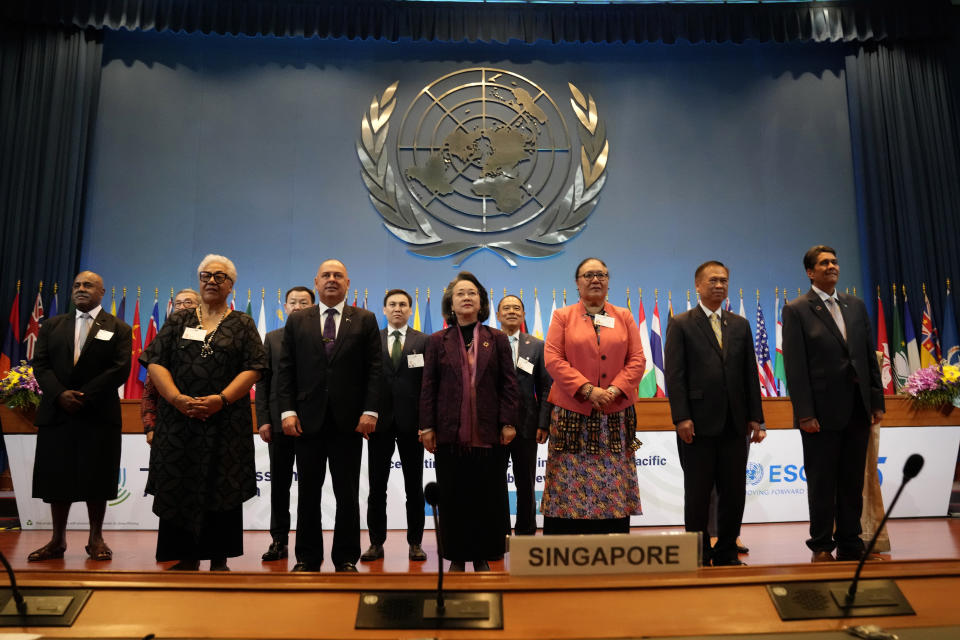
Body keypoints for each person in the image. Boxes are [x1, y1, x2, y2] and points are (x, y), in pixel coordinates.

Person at [141, 255, 266, 571]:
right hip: (178, 421)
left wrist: (221, 399)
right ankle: (185, 555)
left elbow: (255, 368)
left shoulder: (242, 323)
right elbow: (155, 361)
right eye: (206, 275)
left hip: (225, 421)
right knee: (180, 482)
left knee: (221, 486)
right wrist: (176, 398)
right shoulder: (178, 320)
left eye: (219, 276)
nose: (212, 280)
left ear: (231, 285)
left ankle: (219, 557)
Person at [277, 259, 381, 572]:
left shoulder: (365, 319)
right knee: (307, 492)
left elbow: (375, 370)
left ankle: (346, 557)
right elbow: (286, 370)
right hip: (307, 420)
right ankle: (307, 557)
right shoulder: (298, 320)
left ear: (348, 283)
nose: (332, 280)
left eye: (338, 275)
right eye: (326, 275)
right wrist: (287, 410)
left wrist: (370, 410)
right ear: (316, 282)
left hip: (349, 422)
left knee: (347, 494)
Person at [782, 245, 885, 562]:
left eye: (835, 261)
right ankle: (822, 545)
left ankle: (851, 542)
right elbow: (796, 368)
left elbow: (868, 356)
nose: (832, 266)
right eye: (824, 263)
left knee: (852, 480)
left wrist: (876, 400)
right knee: (822, 480)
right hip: (821, 414)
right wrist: (805, 413)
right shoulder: (797, 309)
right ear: (810, 272)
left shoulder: (855, 305)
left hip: (857, 407)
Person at [664, 261, 765, 566]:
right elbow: (675, 376)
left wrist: (756, 418)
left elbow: (750, 373)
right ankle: (697, 553)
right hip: (696, 424)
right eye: (712, 281)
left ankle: (725, 552)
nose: (719, 285)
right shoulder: (681, 323)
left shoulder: (739, 325)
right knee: (698, 493)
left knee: (734, 492)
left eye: (724, 281)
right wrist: (681, 417)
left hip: (735, 424)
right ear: (698, 286)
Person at [28, 271, 132, 562]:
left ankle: (95, 538)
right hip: (58, 412)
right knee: (56, 478)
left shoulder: (119, 328)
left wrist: (84, 395)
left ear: (102, 292)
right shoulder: (52, 325)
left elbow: (120, 369)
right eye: (77, 285)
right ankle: (57, 539)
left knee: (96, 477)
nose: (81, 289)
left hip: (97, 413)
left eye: (88, 285)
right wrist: (60, 394)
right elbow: (42, 365)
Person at [419, 272, 519, 572]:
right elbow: (428, 386)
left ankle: (482, 554)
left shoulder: (497, 339)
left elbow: (509, 385)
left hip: (489, 433)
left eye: (472, 293)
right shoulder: (437, 340)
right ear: (450, 302)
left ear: (481, 302)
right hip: (450, 434)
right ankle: (457, 556)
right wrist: (426, 427)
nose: (466, 297)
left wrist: (509, 422)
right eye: (460, 293)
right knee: (454, 496)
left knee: (486, 497)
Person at [542, 258, 645, 534]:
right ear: (577, 283)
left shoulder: (623, 316)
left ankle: (611, 544)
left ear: (609, 281)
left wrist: (612, 390)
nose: (595, 279)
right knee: (567, 481)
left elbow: (637, 360)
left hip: (614, 413)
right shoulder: (562, 316)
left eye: (601, 274)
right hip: (572, 414)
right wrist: (587, 390)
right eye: (588, 274)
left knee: (613, 481)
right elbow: (553, 359)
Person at [361, 289, 429, 563]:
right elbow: (363, 382)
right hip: (379, 423)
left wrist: (426, 424)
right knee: (377, 487)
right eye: (392, 304)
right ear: (384, 309)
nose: (398, 308)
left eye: (403, 304)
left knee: (414, 487)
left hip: (413, 426)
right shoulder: (371, 340)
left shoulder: (424, 341)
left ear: (410, 310)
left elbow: (428, 386)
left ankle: (415, 543)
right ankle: (376, 543)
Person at [256, 285, 314, 562]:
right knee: (280, 485)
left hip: (312, 424)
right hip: (279, 424)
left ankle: (306, 544)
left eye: (304, 302)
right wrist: (264, 420)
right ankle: (278, 540)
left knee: (309, 487)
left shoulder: (322, 338)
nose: (298, 306)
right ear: (285, 307)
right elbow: (264, 383)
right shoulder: (273, 338)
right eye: (293, 302)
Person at [496, 294, 552, 536]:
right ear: (497, 315)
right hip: (493, 427)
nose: (511, 311)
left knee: (526, 484)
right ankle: (497, 534)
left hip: (528, 426)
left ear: (523, 315)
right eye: (506, 308)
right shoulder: (488, 343)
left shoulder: (537, 346)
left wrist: (544, 423)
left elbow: (546, 387)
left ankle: (526, 534)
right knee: (494, 483)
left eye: (516, 308)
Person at [142, 288, 200, 446]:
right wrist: (150, 427)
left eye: (188, 302)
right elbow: (150, 391)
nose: (181, 306)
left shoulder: (213, 338)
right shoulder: (163, 342)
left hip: (204, 419)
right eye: (178, 303)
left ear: (200, 307)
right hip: (168, 422)